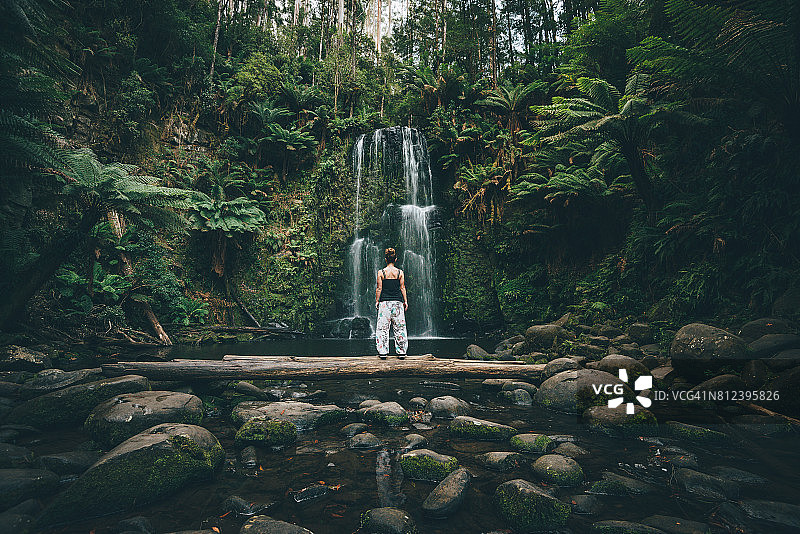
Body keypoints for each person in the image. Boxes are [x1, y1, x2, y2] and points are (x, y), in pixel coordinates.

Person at [375, 247, 408, 359]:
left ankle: (383, 352)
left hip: (384, 303)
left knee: (383, 328)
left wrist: (377, 301)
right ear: (395, 259)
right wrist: (405, 301)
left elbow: (379, 288)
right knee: (400, 327)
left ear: (385, 259)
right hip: (398, 303)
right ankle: (401, 352)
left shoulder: (381, 272)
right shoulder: (399, 272)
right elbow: (402, 287)